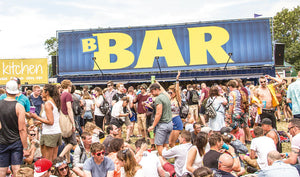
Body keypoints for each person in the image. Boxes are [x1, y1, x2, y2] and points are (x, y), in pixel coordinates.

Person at [0, 80, 29, 177]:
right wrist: (25, 147)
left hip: (2, 140)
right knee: (16, 169)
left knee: (2, 169)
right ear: (17, 92)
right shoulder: (19, 106)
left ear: (6, 90)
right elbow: (22, 129)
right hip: (16, 141)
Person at [30, 84, 62, 162]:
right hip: (56, 132)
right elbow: (53, 119)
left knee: (47, 160)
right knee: (53, 159)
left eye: (42, 91)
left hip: (49, 133)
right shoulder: (54, 102)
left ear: (47, 92)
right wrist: (40, 122)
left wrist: (36, 117)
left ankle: (49, 173)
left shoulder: (48, 104)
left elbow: (51, 121)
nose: (41, 93)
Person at [148, 83, 173, 156]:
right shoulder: (166, 97)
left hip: (162, 125)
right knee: (165, 145)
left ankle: (162, 162)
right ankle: (166, 162)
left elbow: (158, 113)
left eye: (152, 91)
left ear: (156, 89)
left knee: (159, 145)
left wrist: (153, 126)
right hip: (169, 123)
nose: (151, 93)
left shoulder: (158, 98)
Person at [59, 80, 77, 163]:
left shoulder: (61, 95)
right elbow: (69, 109)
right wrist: (73, 123)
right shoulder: (68, 95)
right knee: (72, 142)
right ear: (69, 86)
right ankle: (61, 156)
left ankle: (68, 161)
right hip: (68, 120)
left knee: (66, 142)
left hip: (61, 119)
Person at [168, 71, 184, 147]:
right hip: (170, 121)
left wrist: (177, 79)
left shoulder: (177, 100)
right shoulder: (169, 100)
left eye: (171, 92)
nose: (170, 94)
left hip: (176, 120)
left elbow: (177, 91)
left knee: (173, 142)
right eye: (169, 93)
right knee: (170, 143)